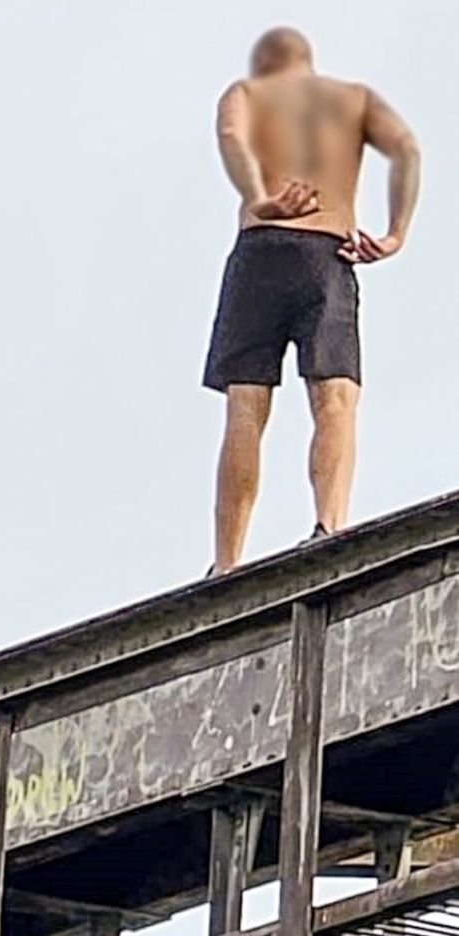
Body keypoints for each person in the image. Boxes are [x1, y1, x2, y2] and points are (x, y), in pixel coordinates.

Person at [204, 27, 421, 574]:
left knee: (245, 409)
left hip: (260, 250)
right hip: (329, 255)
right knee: (335, 399)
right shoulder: (352, 100)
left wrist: (263, 200)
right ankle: (331, 525)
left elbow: (232, 138)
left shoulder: (247, 94)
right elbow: (407, 151)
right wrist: (394, 235)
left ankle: (225, 563)